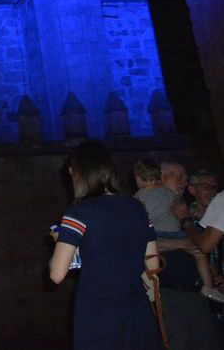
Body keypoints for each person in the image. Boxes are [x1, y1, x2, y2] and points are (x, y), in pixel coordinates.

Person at [49, 140, 162, 350]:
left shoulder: (78, 213)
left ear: (77, 173)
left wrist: (61, 243)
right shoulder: (137, 208)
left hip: (99, 314)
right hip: (137, 312)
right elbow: (153, 263)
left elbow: (57, 274)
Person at [133, 159, 224, 302]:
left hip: (193, 295)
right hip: (167, 292)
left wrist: (213, 273)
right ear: (160, 176)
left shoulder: (183, 210)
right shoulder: (143, 203)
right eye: (179, 176)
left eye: (186, 179)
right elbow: (136, 242)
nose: (184, 182)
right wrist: (181, 243)